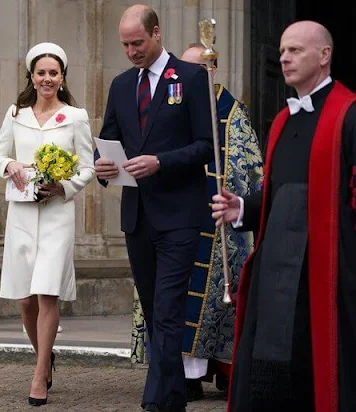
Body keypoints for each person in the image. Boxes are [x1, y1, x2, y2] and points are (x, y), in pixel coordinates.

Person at [212, 21, 356, 412]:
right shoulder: (282, 120)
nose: (284, 58)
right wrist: (243, 207)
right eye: (282, 51)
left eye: (295, 50)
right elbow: (278, 193)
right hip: (276, 270)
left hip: (323, 274)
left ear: (324, 56)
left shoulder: (349, 116)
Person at [95, 5, 214, 412]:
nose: (131, 51)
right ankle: (174, 396)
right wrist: (103, 168)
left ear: (157, 34)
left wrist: (162, 161)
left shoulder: (193, 77)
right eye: (125, 45)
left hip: (180, 215)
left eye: (138, 43)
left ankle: (155, 402)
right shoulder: (121, 85)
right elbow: (108, 139)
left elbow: (206, 146)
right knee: (152, 310)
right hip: (138, 216)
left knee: (167, 310)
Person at [0, 42, 95, 406]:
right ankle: (45, 356)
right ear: (32, 77)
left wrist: (64, 186)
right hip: (20, 212)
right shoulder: (16, 113)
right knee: (24, 299)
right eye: (41, 73)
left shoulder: (76, 116)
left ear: (62, 77)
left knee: (48, 290)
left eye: (53, 73)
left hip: (56, 213)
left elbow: (88, 167)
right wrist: (10, 166)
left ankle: (38, 375)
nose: (47, 78)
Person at [180, 43, 263, 400]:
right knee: (180, 297)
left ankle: (226, 370)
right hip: (180, 215)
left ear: (213, 68)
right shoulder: (172, 107)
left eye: (197, 68)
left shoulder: (232, 113)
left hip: (219, 219)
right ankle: (185, 375)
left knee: (221, 298)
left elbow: (249, 166)